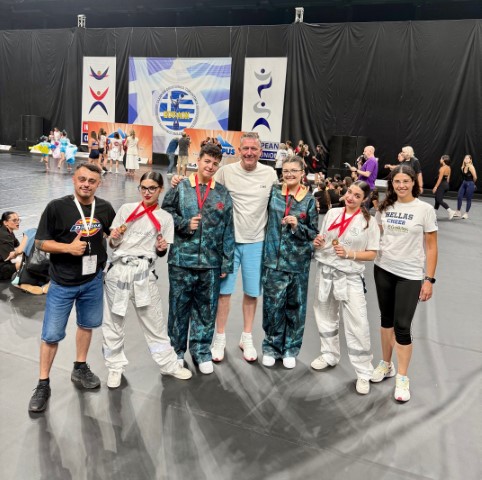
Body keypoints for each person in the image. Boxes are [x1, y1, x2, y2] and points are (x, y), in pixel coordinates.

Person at [28, 163, 116, 413]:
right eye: (82, 179)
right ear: (74, 180)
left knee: (86, 325)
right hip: (62, 283)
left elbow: (112, 236)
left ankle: (80, 367)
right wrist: (67, 248)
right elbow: (40, 242)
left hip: (92, 280)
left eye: (92, 181)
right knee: (51, 335)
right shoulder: (57, 207)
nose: (86, 184)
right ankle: (43, 384)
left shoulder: (105, 208)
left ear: (98, 184)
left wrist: (118, 236)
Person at [102, 172, 192, 388]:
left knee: (155, 324)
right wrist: (114, 238)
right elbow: (113, 244)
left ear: (160, 189)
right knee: (113, 323)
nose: (147, 192)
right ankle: (114, 367)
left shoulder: (165, 218)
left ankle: (168, 364)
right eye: (143, 187)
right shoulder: (126, 210)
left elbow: (161, 251)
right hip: (119, 272)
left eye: (152, 188)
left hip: (144, 274)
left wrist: (161, 249)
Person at [162, 144, 234, 374]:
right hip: (182, 260)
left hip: (211, 263)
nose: (210, 166)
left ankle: (201, 351)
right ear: (199, 160)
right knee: (178, 309)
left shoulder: (222, 193)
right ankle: (176, 352)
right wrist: (184, 224)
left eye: (215, 163)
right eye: (207, 161)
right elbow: (165, 214)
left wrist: (226, 261)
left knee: (206, 310)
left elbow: (228, 228)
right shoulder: (181, 187)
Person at [209, 132, 278, 362]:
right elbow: (204, 183)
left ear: (260, 151)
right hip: (228, 243)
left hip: (256, 242)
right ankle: (219, 338)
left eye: (254, 149)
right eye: (245, 148)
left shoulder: (269, 174)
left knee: (252, 293)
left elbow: (281, 201)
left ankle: (246, 337)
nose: (249, 153)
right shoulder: (226, 172)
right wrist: (180, 180)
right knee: (224, 293)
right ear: (239, 151)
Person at [371, 165, 438, 402]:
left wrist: (428, 279)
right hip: (383, 269)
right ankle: (386, 364)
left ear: (413, 183)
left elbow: (431, 247)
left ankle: (402, 376)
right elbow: (375, 235)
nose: (401, 185)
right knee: (386, 320)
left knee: (402, 325)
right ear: (392, 184)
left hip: (409, 275)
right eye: (397, 181)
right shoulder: (385, 207)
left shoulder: (424, 210)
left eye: (405, 181)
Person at [311, 180, 380, 394]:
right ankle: (329, 354)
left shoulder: (369, 222)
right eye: (350, 192)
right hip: (326, 270)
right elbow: (324, 239)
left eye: (357, 196)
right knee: (324, 314)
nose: (350, 197)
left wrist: (350, 254)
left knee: (358, 322)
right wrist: (319, 242)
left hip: (350, 276)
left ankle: (364, 371)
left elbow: (373, 253)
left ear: (364, 199)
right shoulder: (333, 213)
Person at [261, 156, 318, 369]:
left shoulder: (309, 200)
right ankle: (271, 347)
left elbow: (313, 233)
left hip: (298, 263)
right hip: (273, 261)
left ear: (302, 173)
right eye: (286, 171)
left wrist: (297, 226)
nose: (289, 174)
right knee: (272, 306)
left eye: (294, 170)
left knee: (296, 307)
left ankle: (290, 349)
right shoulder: (274, 193)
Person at [0, 211, 28, 280]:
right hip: (2, 267)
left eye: (18, 220)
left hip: (5, 261)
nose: (17, 222)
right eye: (14, 220)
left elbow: (18, 245)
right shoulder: (4, 235)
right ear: (5, 222)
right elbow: (10, 257)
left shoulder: (9, 231)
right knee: (27, 264)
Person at [454, 155, 477, 219]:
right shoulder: (462, 167)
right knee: (459, 196)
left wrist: (473, 184)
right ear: (464, 159)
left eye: (468, 158)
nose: (466, 159)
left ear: (470, 160)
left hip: (470, 183)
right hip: (464, 183)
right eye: (465, 158)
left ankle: (466, 213)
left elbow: (475, 177)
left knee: (468, 199)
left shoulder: (471, 167)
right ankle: (458, 212)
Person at [432, 155, 455, 219]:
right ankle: (434, 213)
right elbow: (448, 179)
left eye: (441, 159)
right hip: (445, 185)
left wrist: (435, 187)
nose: (440, 160)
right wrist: (446, 185)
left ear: (443, 160)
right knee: (437, 198)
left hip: (441, 185)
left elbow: (440, 179)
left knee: (439, 199)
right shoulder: (449, 168)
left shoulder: (442, 168)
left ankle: (450, 211)